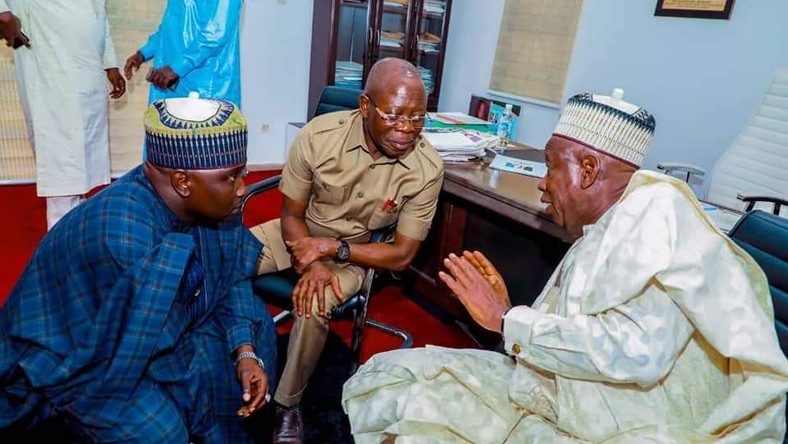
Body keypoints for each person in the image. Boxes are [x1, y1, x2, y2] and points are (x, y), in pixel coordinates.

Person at [342, 90, 788, 442]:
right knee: (391, 375)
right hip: (572, 387)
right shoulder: (611, 221)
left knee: (418, 413)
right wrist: (509, 312)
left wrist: (505, 319)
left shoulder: (658, 219)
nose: (542, 183)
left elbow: (637, 354)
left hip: (633, 418)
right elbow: (584, 325)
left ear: (588, 169)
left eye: (550, 166)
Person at [0, 93, 277, 443]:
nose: (242, 190)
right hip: (85, 357)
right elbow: (158, 358)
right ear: (182, 182)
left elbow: (232, 276)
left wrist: (245, 352)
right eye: (231, 177)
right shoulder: (127, 238)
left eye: (243, 173)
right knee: (163, 432)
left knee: (257, 331)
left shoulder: (209, 202)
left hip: (165, 323)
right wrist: (206, 427)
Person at [249, 57, 444, 443]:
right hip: (296, 233)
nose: (406, 129)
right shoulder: (319, 136)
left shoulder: (427, 168)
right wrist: (311, 260)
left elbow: (402, 254)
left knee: (314, 302)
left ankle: (288, 405)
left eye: (418, 118)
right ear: (365, 106)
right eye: (394, 115)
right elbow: (290, 215)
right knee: (215, 260)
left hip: (356, 253)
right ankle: (222, 354)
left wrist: (331, 253)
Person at [0, 1, 126, 230]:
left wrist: (110, 64)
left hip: (88, 71)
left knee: (82, 163)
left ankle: (78, 234)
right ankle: (61, 247)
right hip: (51, 61)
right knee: (62, 160)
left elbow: (99, 13)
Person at [123, 0, 242, 108]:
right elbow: (168, 28)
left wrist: (177, 67)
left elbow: (215, 34)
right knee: (167, 129)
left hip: (205, 85)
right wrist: (143, 54)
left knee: (200, 130)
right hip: (169, 83)